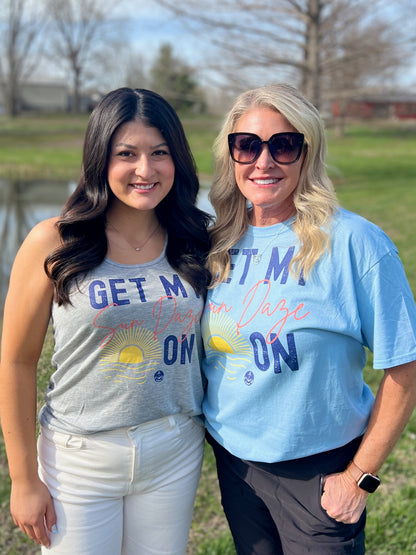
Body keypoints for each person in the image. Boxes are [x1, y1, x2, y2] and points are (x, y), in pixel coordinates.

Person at [201, 83, 416, 554]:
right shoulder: (215, 241)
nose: (264, 162)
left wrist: (360, 478)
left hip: (322, 473)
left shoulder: (356, 243)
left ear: (307, 152)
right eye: (247, 145)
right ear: (230, 155)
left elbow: (406, 366)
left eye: (283, 145)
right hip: (237, 464)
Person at [0, 87, 211, 554]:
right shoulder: (54, 242)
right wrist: (22, 478)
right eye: (126, 154)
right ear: (100, 159)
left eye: (160, 153)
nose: (145, 169)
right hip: (79, 456)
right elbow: (16, 361)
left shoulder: (196, 239)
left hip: (173, 447)